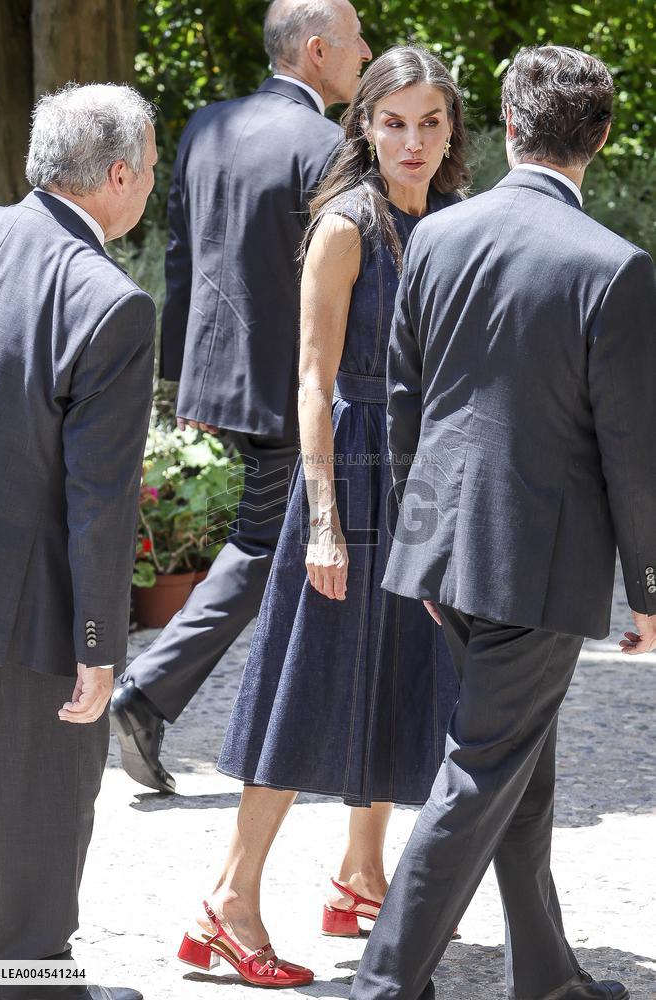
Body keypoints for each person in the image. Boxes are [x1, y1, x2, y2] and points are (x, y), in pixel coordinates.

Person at [349, 45, 656, 1000]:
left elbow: (405, 401)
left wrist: (425, 550)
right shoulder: (615, 267)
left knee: (517, 764)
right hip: (537, 565)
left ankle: (547, 977)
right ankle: (382, 984)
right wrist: (649, 590)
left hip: (447, 551)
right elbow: (634, 454)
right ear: (597, 140)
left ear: (508, 130)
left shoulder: (437, 236)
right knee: (481, 774)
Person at [176, 46, 468, 987]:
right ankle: (230, 901)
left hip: (421, 474)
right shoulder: (346, 222)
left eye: (429, 122)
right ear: (364, 124)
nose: (411, 142)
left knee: (400, 671)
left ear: (452, 129)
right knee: (310, 682)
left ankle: (359, 875)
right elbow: (309, 378)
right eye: (393, 121)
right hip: (351, 467)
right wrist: (322, 523)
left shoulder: (456, 221)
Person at [110, 0, 372, 794]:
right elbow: (341, 285)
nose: (367, 52)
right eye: (356, 39)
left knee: (297, 543)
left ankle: (319, 723)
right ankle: (147, 694)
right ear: (318, 50)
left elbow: (186, 254)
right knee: (272, 545)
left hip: (223, 377)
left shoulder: (206, 127)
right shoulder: (329, 145)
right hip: (294, 387)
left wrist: (187, 376)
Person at [0, 84, 158, 1000]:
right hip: (33, 609)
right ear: (119, 175)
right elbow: (103, 498)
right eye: (152, 167)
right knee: (44, 809)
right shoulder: (110, 303)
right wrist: (102, 648)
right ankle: (29, 984)